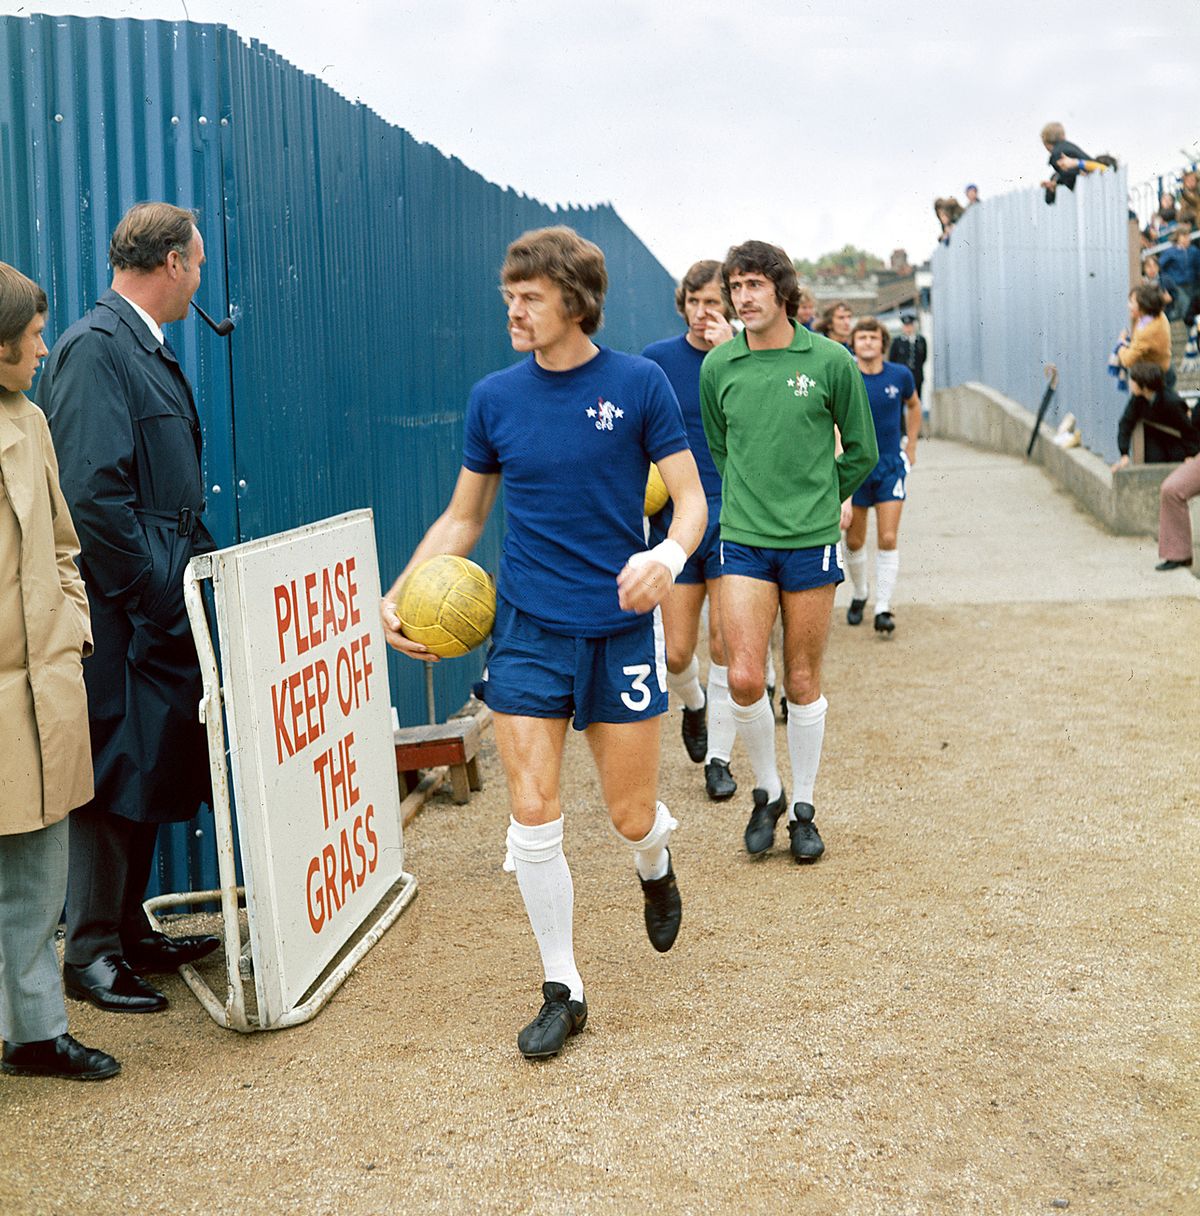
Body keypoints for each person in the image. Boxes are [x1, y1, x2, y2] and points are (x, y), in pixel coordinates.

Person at [380, 226, 706, 1060]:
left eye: (529, 298)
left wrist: (665, 559)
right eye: (509, 298)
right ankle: (563, 986)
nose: (514, 312)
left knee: (631, 813)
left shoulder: (639, 385)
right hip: (527, 633)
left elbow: (694, 505)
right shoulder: (495, 398)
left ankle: (654, 862)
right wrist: (404, 596)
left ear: (574, 300)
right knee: (533, 810)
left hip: (619, 630)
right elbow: (465, 516)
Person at [38, 203, 219, 1015]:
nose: (200, 279)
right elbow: (90, 496)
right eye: (199, 265)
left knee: (151, 758)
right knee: (116, 764)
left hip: (156, 594)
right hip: (125, 607)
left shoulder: (140, 342)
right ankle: (92, 950)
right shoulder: (95, 348)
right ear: (173, 262)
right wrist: (151, 589)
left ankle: (128, 929)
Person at [700, 240, 876, 864]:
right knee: (745, 677)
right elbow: (723, 451)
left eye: (753, 285)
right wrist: (755, 499)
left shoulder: (830, 360)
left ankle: (803, 807)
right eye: (735, 287)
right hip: (744, 538)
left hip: (810, 542)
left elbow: (861, 451)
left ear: (781, 290)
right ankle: (766, 792)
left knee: (801, 680)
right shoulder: (719, 367)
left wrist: (822, 501)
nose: (742, 298)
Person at [0, 263, 120, 1081]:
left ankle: (38, 1034)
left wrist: (71, 628)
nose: (46, 347)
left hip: (38, 687)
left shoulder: (31, 422)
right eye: (34, 335)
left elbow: (65, 546)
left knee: (39, 873)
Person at [642, 261, 740, 801]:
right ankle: (696, 704)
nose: (707, 313)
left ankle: (720, 761)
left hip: (735, 516)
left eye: (716, 301)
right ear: (683, 303)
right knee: (677, 655)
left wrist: (731, 353)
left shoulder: (745, 358)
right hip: (677, 519)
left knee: (725, 643)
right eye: (698, 301)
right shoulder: (656, 361)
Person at [844, 317, 921, 635]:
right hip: (858, 467)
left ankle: (883, 607)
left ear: (882, 343)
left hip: (890, 465)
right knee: (854, 539)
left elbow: (913, 406)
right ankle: (861, 593)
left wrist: (911, 445)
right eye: (861, 338)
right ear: (854, 343)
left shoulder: (899, 375)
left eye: (873, 338)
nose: (867, 343)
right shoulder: (847, 377)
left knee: (888, 537)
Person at [1111, 362, 1198, 470]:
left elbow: (1189, 430)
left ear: (1145, 386)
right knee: (1153, 459)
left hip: (1176, 439)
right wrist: (1124, 453)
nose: (1130, 383)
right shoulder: (1137, 399)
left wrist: (1192, 455)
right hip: (1155, 437)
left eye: (1133, 381)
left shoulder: (1171, 402)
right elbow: (1126, 422)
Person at [1116, 284, 1171, 375]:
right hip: (1161, 369)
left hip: (1155, 376)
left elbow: (1127, 360)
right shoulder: (1158, 315)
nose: (1128, 305)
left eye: (1131, 302)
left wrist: (1121, 343)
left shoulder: (1147, 332)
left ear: (1143, 306)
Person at [1039, 122, 1092, 204]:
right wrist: (1055, 181)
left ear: (1045, 142)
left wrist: (1055, 182)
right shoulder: (1070, 146)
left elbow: (1069, 175)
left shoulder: (1056, 154)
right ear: (1062, 136)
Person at [888, 311, 928, 400]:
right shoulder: (897, 342)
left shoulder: (921, 340)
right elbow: (892, 359)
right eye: (906, 326)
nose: (908, 328)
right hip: (901, 377)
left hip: (917, 377)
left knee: (917, 399)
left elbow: (924, 357)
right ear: (903, 327)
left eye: (910, 325)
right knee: (901, 400)